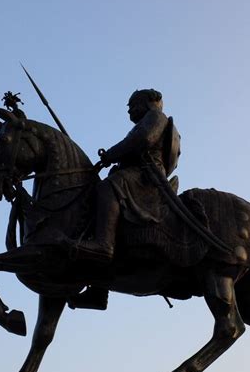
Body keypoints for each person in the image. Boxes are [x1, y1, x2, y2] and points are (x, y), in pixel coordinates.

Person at [68, 89, 180, 310]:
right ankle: (98, 290)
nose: (129, 109)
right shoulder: (150, 119)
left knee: (108, 188)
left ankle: (103, 245)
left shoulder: (156, 117)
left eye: (132, 104)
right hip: (139, 173)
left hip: (146, 177)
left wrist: (110, 154)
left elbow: (143, 140)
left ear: (147, 102)